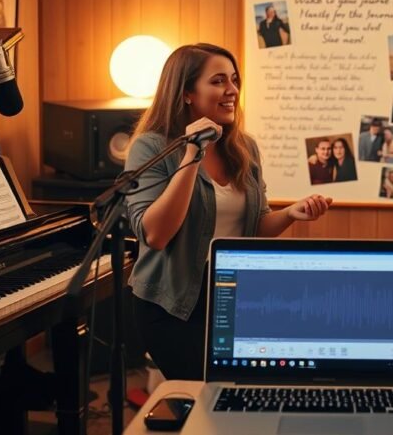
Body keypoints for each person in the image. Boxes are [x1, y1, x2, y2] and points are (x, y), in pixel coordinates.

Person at [125, 44, 332, 380]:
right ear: (187, 92)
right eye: (219, 81)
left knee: (240, 394)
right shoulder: (151, 147)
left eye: (234, 80)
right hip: (174, 304)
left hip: (237, 297)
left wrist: (291, 214)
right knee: (203, 397)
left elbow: (255, 228)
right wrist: (193, 151)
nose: (232, 90)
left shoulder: (244, 147)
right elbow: (156, 235)